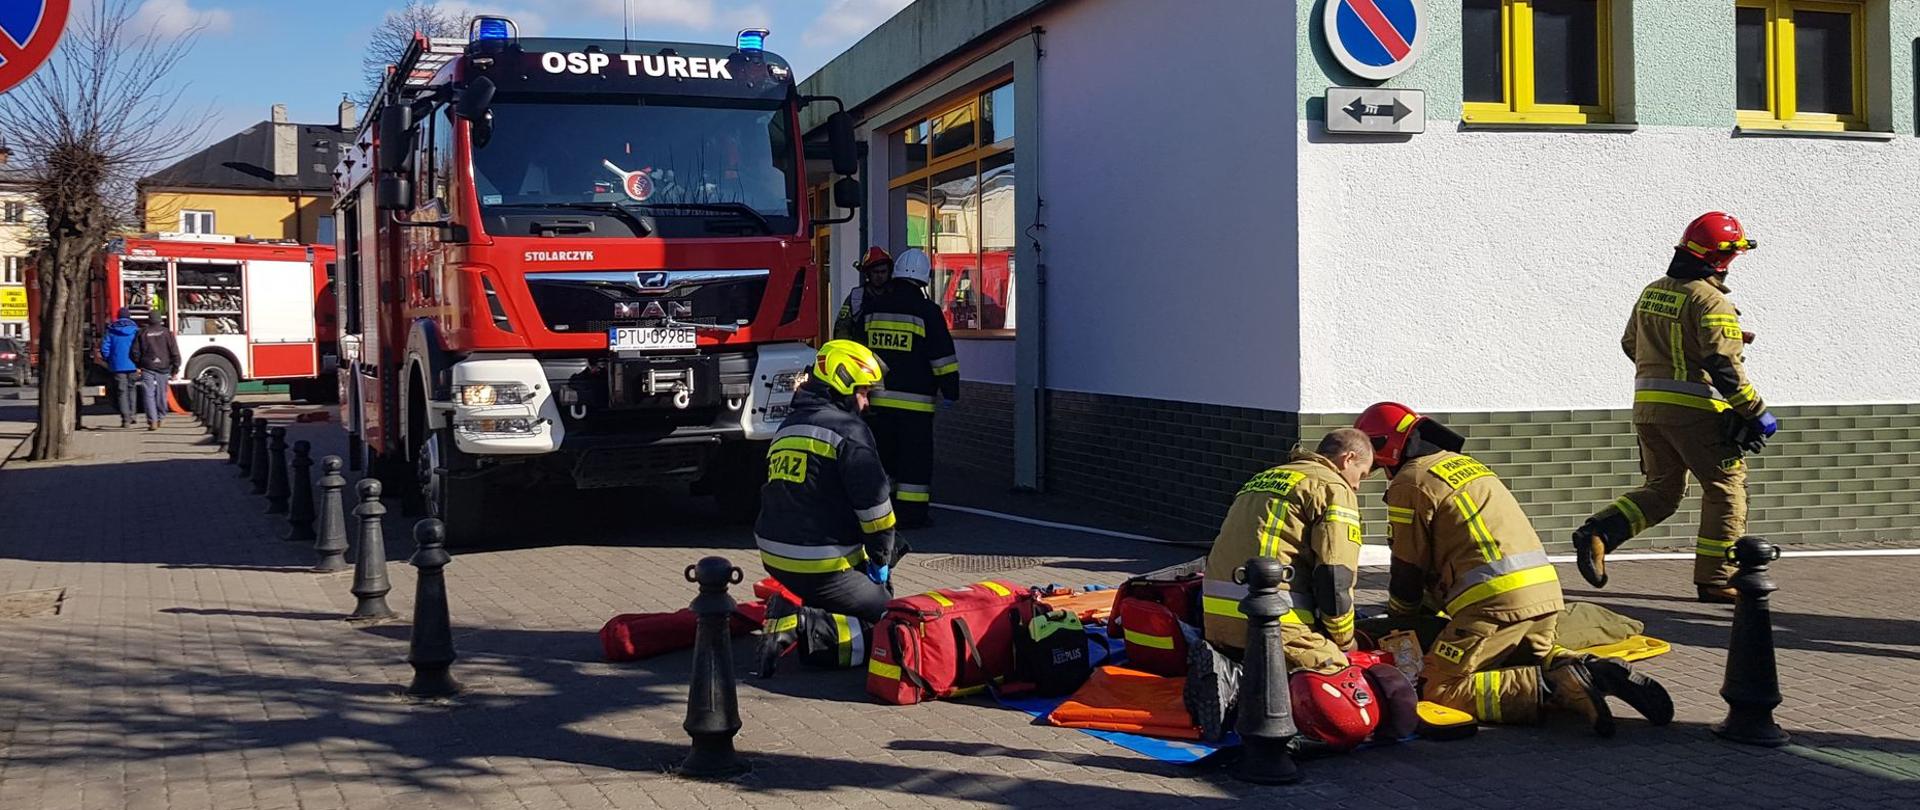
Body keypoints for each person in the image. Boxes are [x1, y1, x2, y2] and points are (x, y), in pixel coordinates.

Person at [1356, 402, 1673, 736]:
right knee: (1518, 662)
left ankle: (1557, 686)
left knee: (1439, 687)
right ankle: (1594, 670)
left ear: (1384, 448)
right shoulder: (1467, 466)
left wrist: (1397, 619)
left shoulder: (1410, 482)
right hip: (1545, 595)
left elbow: (1408, 567)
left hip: (1492, 606)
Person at [1572, 212, 1777, 604]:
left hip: (1649, 409)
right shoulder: (1710, 299)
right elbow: (1723, 366)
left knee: (1663, 490)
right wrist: (1755, 412)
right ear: (1723, 259)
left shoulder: (1653, 291)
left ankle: (1600, 533)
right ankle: (1717, 579)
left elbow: (1632, 343)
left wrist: (1671, 366)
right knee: (1726, 490)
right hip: (1695, 413)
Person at [1185, 428, 1416, 746]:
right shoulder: (1333, 486)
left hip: (1217, 620)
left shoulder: (1266, 476)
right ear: (1347, 458)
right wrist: (1343, 641)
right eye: (1361, 474)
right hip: (1273, 624)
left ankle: (1234, 668)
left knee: (1280, 658)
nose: (1358, 485)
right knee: (1341, 685)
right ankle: (1239, 694)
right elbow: (1335, 577)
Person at [753, 340, 900, 623]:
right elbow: (876, 510)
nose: (866, 403)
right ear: (842, 383)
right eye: (863, 392)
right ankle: (797, 628)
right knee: (886, 621)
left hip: (774, 554)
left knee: (839, 600)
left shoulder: (789, 423)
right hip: (818, 562)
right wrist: (881, 558)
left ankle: (804, 612)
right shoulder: (850, 431)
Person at [840, 248, 959, 527]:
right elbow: (942, 358)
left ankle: (884, 515)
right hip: (916, 407)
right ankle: (913, 516)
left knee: (885, 462)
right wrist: (951, 391)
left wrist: (859, 391)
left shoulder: (871, 309)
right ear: (923, 279)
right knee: (914, 464)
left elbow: (859, 351)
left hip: (878, 402)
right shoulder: (928, 311)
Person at [127, 311, 181, 431]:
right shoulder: (167, 333)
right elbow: (174, 351)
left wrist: (139, 363)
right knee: (162, 393)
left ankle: (153, 421)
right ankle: (161, 417)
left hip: (147, 366)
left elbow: (134, 352)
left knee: (148, 394)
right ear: (160, 320)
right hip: (163, 366)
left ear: (149, 320)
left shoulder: (142, 332)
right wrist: (175, 367)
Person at [832, 246, 896, 341]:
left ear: (889, 272)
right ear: (868, 273)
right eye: (875, 272)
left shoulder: (896, 295)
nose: (880, 276)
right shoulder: (856, 297)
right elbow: (842, 328)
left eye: (883, 272)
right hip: (863, 353)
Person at [99, 307, 140, 428]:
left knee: (122, 392)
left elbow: (104, 348)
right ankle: (133, 415)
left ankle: (125, 419)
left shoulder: (111, 330)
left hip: (117, 366)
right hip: (133, 365)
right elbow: (139, 347)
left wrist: (109, 359)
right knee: (132, 389)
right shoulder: (135, 330)